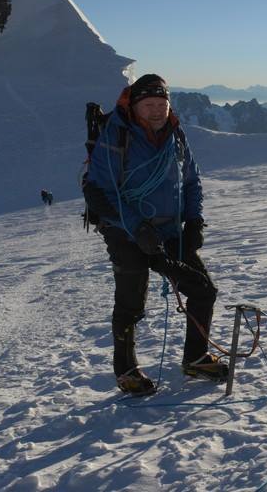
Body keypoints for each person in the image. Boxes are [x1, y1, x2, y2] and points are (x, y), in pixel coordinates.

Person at [83, 74, 226, 396]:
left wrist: (194, 222)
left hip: (169, 228)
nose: (157, 111)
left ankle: (196, 358)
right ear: (134, 106)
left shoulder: (175, 136)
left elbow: (191, 181)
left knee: (202, 290)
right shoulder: (116, 135)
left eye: (162, 104)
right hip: (124, 230)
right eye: (149, 105)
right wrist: (138, 229)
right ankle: (127, 371)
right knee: (130, 303)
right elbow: (101, 192)